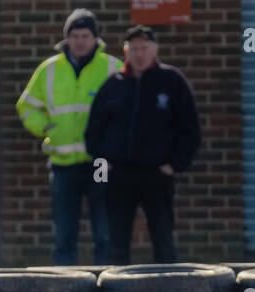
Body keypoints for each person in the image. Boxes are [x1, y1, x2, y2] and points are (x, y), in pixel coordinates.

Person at [85, 25, 201, 264]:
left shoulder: (171, 81)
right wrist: (103, 164)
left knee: (163, 241)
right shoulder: (113, 85)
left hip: (158, 174)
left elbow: (190, 129)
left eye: (144, 48)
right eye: (134, 48)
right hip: (119, 176)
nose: (139, 54)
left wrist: (175, 164)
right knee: (115, 245)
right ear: (126, 52)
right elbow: (93, 131)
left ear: (155, 50)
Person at [17, 8, 121, 265]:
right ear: (67, 38)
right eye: (75, 35)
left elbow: (127, 110)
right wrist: (45, 127)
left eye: (85, 35)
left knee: (105, 234)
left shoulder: (112, 67)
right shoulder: (49, 69)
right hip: (62, 163)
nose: (80, 40)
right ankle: (65, 291)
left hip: (100, 162)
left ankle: (105, 287)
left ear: (95, 38)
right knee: (64, 235)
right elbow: (26, 106)